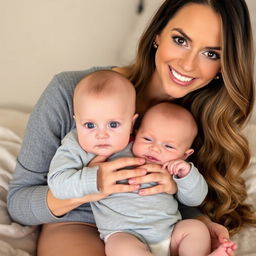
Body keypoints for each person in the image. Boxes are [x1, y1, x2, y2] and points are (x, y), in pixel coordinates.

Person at [7, 0, 255, 256]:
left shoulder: (202, 116)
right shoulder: (71, 91)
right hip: (76, 220)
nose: (188, 65)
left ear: (224, 65)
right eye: (181, 40)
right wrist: (94, 183)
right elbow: (19, 203)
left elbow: (185, 193)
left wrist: (199, 220)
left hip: (160, 226)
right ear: (157, 34)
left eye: (211, 53)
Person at [91, 102, 235, 256]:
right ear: (135, 132)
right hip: (125, 233)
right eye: (147, 139)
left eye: (169, 146)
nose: (155, 148)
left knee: (196, 228)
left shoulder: (176, 169)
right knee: (122, 248)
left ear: (185, 154)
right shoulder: (117, 153)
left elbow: (195, 199)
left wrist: (187, 175)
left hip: (169, 232)